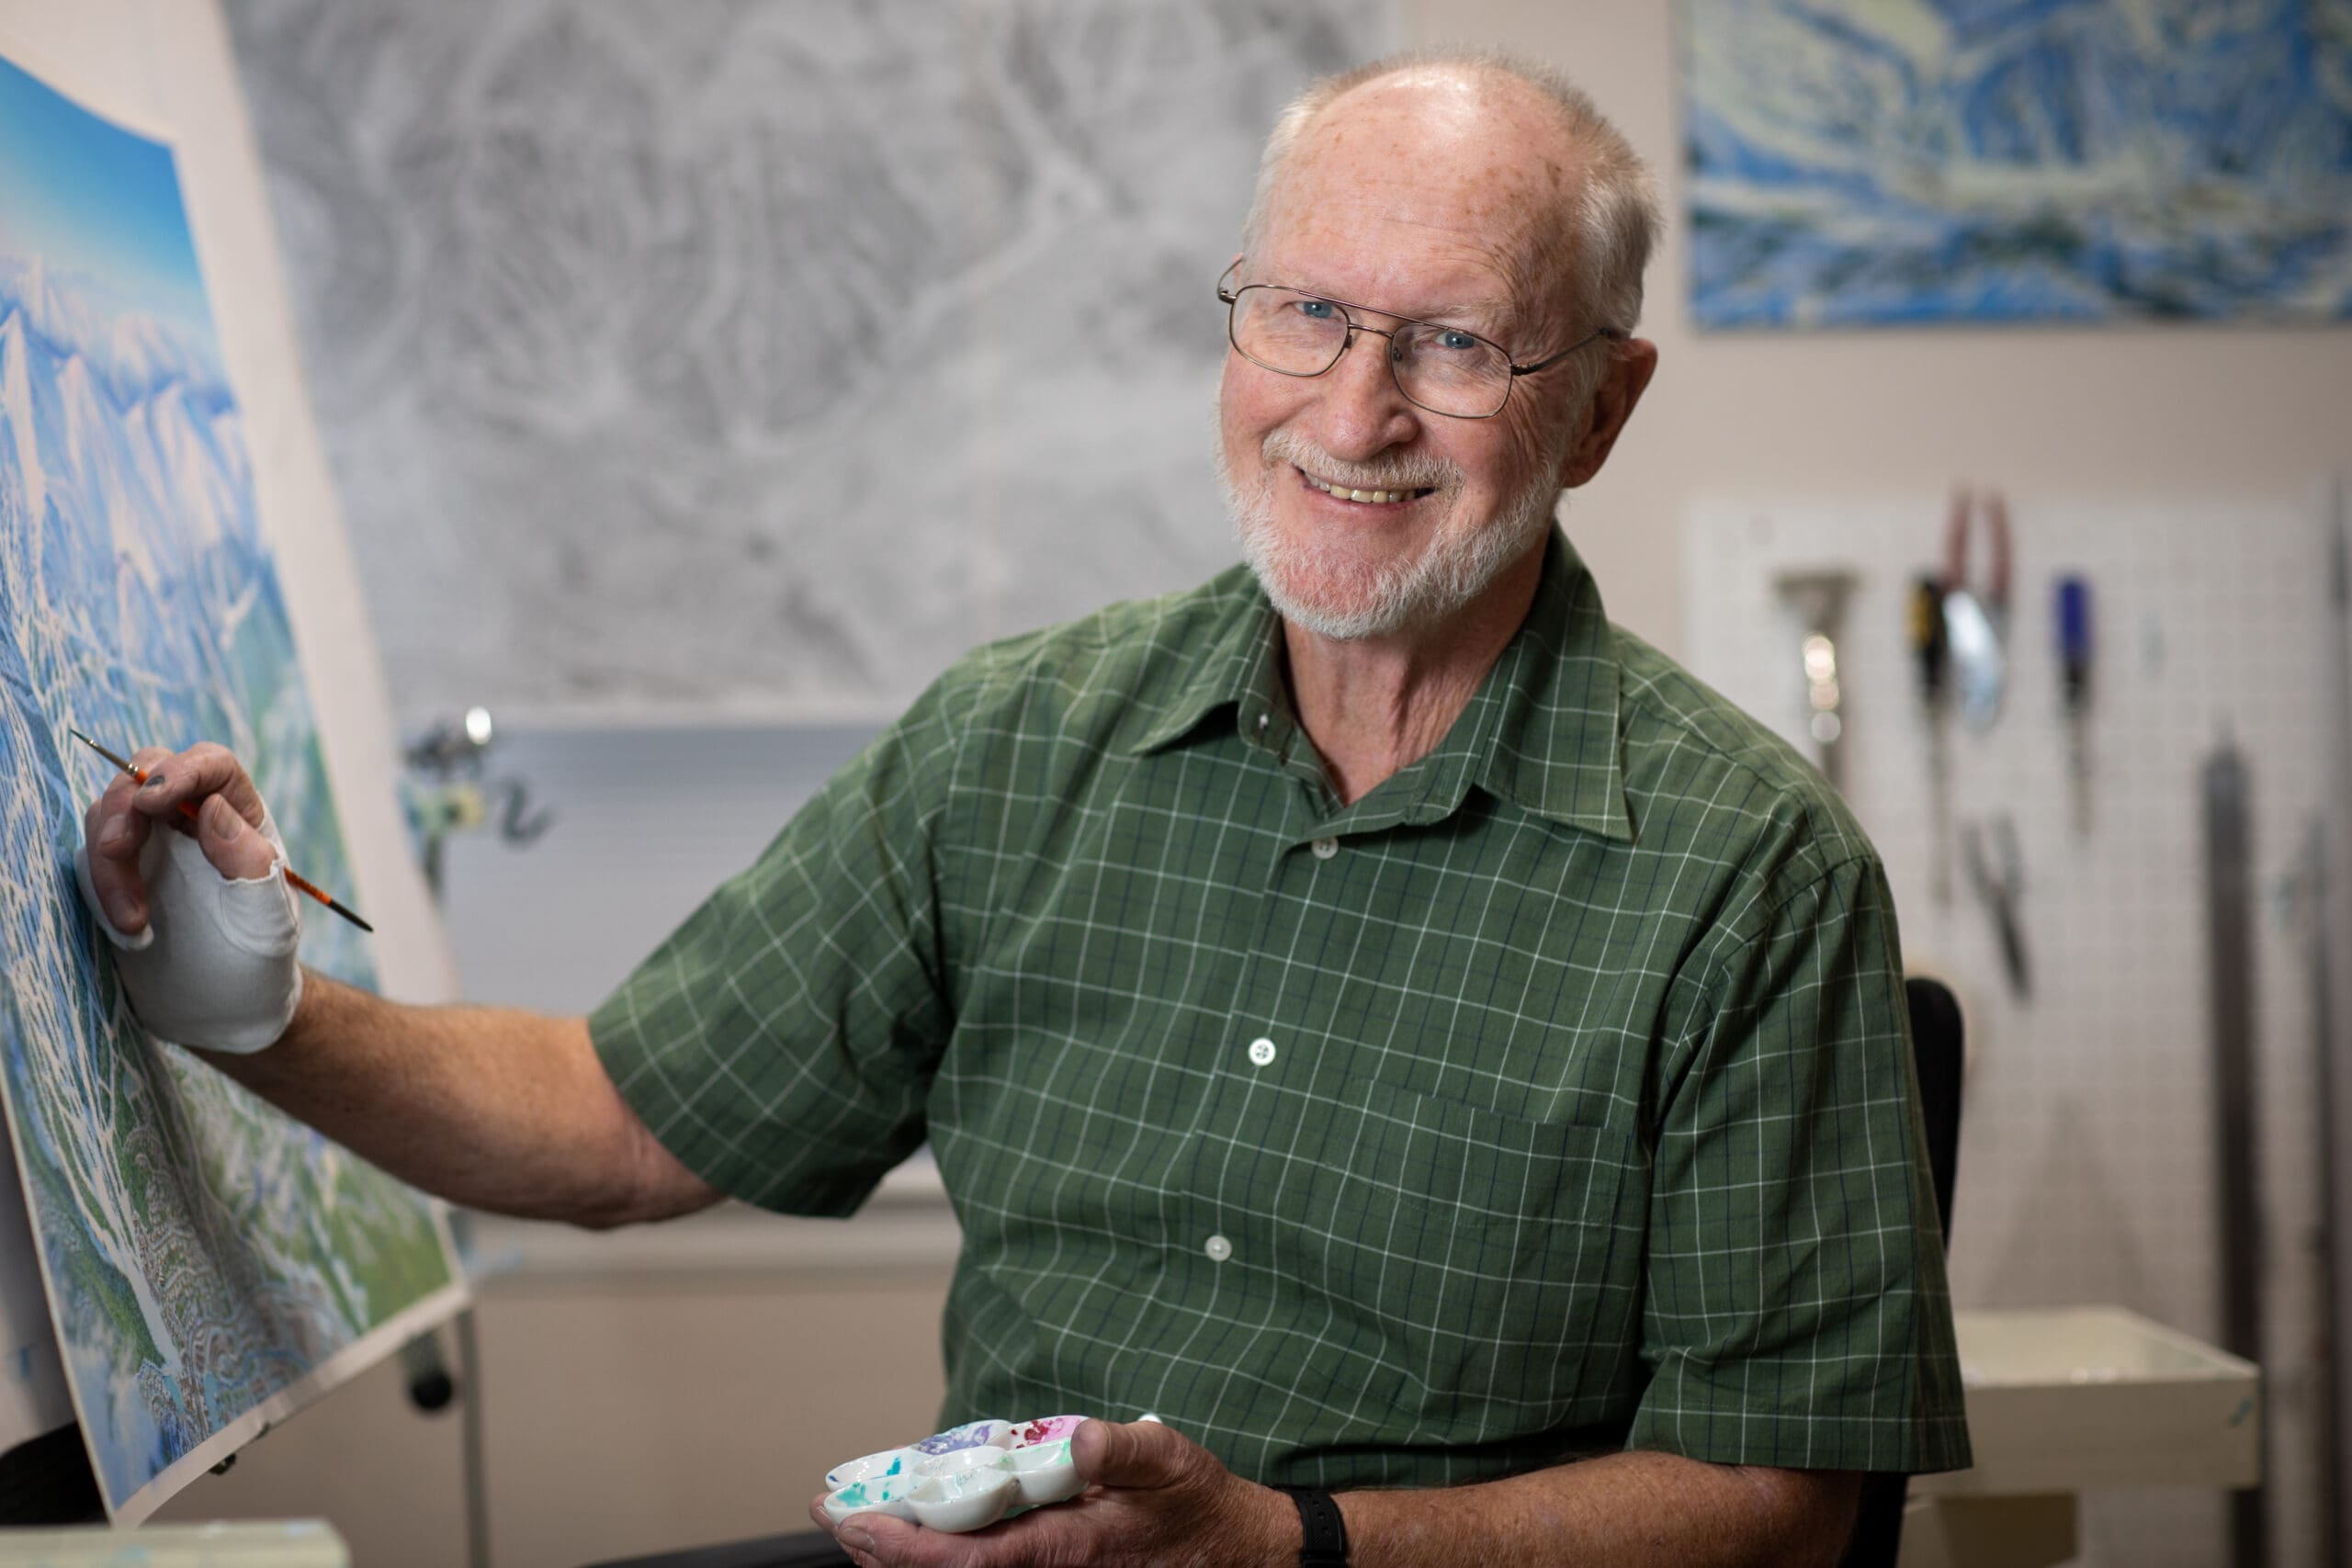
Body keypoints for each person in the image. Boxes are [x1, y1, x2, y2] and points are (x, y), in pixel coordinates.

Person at [79, 49, 1968, 1568]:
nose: (1352, 407)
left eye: (1455, 342)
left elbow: (1772, 1505)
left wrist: (1289, 1543)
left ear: (1602, 405)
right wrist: (250, 999)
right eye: (1303, 309)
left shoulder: (1745, 874)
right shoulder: (1017, 746)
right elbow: (612, 1123)